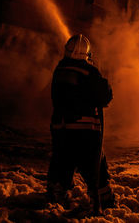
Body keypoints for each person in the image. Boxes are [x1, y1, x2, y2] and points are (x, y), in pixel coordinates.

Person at [47, 34, 115, 215]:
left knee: (62, 161)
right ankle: (102, 200)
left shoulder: (59, 69)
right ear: (87, 53)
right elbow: (105, 96)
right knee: (95, 165)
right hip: (86, 131)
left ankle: (56, 196)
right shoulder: (90, 71)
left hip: (60, 128)